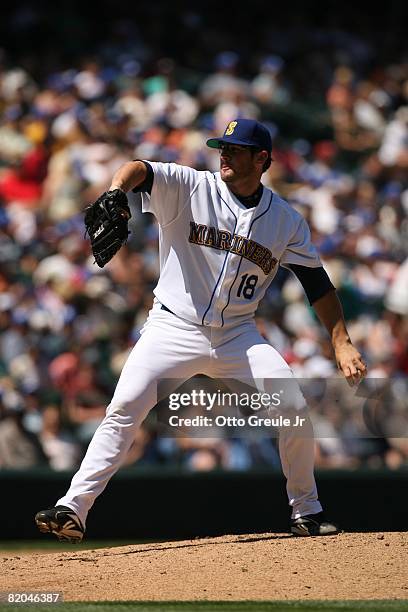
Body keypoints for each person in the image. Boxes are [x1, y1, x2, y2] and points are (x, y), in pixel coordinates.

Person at [35, 118, 367, 542]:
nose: (224, 154)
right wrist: (117, 191)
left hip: (237, 335)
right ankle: (72, 508)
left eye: (235, 149)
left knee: (294, 408)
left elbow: (317, 285)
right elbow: (140, 168)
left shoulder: (284, 220)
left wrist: (341, 341)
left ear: (261, 158)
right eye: (222, 148)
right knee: (125, 408)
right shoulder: (192, 185)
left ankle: (307, 511)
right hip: (172, 325)